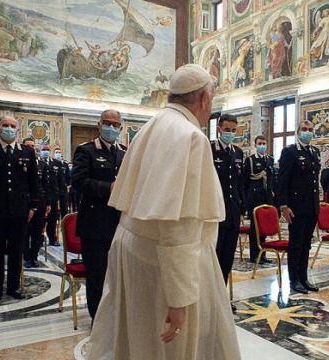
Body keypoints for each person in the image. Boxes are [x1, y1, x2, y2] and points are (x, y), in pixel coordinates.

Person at [88, 64, 240, 359]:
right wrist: (179, 298)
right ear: (204, 99)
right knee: (171, 346)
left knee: (137, 338)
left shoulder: (150, 127)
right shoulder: (191, 137)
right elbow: (179, 223)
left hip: (134, 250)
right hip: (166, 263)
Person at [71, 109, 126, 320]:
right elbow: (78, 182)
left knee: (116, 276)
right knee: (97, 277)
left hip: (117, 223)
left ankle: (113, 317)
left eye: (115, 124)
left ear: (120, 128)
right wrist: (108, 187)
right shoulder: (86, 151)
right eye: (107, 123)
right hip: (94, 225)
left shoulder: (123, 153)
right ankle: (98, 320)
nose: (111, 128)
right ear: (99, 124)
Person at [0, 117, 38, 303]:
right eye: (5, 125)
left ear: (18, 130)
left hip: (20, 210)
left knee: (17, 251)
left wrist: (33, 205)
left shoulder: (27, 152)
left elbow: (33, 181)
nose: (9, 129)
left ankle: (14, 286)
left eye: (12, 126)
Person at [276, 120, 321, 294]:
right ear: (297, 132)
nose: (307, 132)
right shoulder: (290, 152)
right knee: (296, 244)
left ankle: (304, 278)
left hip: (311, 206)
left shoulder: (314, 152)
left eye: (310, 130)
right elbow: (282, 180)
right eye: (304, 129)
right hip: (296, 206)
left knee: (306, 244)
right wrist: (283, 205)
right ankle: (294, 279)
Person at [211, 113, 244, 297]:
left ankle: (221, 298)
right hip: (215, 212)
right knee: (213, 259)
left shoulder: (237, 152)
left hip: (232, 213)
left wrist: (241, 206)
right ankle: (210, 299)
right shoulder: (210, 149)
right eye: (226, 130)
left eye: (233, 130)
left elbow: (239, 183)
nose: (230, 134)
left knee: (227, 258)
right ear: (219, 129)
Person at [242, 135, 274, 263]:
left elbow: (271, 179)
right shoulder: (250, 160)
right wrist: (245, 202)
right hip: (254, 197)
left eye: (264, 143)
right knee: (254, 228)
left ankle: (263, 253)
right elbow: (245, 182)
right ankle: (254, 255)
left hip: (266, 197)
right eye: (260, 143)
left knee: (263, 228)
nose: (262, 146)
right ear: (255, 145)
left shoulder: (269, 160)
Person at [24, 139, 53, 268]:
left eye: (32, 146)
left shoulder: (42, 164)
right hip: (24, 203)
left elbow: (46, 185)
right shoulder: (18, 162)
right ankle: (26, 256)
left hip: (40, 203)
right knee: (25, 232)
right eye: (27, 146)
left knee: (38, 232)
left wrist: (48, 203)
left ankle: (34, 256)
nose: (30, 149)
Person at [42, 144, 62, 247]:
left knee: (53, 219)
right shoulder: (38, 162)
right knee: (41, 219)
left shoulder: (56, 163)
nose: (45, 151)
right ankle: (40, 239)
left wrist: (61, 196)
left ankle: (52, 238)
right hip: (42, 196)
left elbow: (60, 181)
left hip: (53, 195)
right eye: (43, 150)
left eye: (47, 150)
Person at [53, 147, 70, 218]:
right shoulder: (52, 163)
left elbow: (68, 176)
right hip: (54, 189)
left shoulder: (65, 165)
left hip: (63, 189)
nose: (58, 154)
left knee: (64, 208)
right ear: (53, 154)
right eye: (56, 152)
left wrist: (68, 185)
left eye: (59, 153)